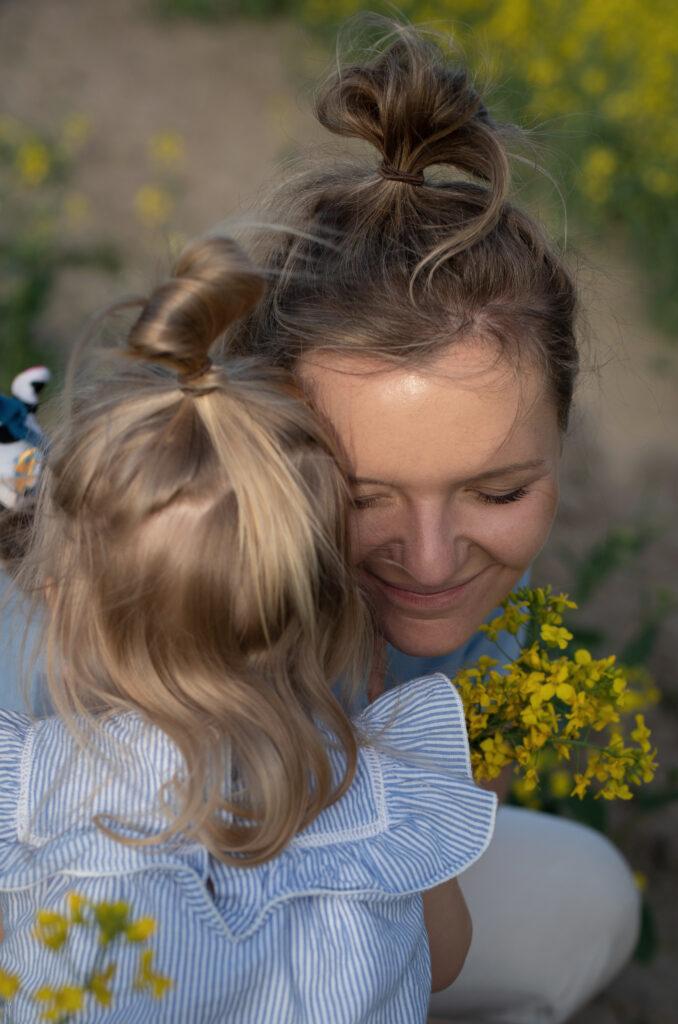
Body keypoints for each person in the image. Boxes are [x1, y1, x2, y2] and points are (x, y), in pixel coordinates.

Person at [225, 20, 641, 1023]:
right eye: (362, 496)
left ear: (559, 449)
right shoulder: (195, 607)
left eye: (497, 493)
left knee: (592, 901)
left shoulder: (488, 631)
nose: (430, 559)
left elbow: (431, 927)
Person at [0, 238, 497, 1022]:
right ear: (331, 608)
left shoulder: (34, 796)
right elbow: (447, 959)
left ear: (62, 604)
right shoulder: (382, 791)